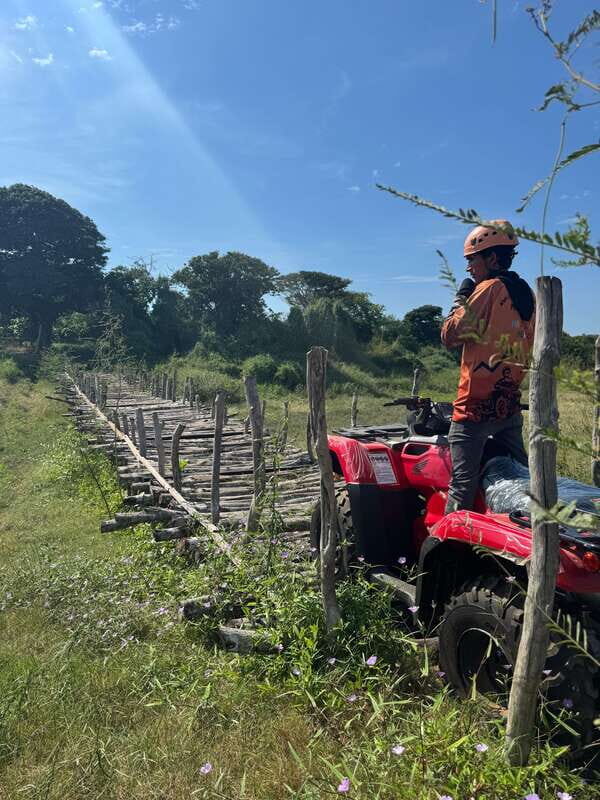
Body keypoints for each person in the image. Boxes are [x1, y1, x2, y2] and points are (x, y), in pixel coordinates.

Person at [441, 220, 536, 513]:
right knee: (521, 479)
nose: (469, 268)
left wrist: (461, 299)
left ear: (493, 258)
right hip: (508, 407)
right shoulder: (527, 293)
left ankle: (449, 551)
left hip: (474, 410)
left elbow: (450, 335)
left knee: (462, 485)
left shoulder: (489, 289)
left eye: (472, 260)